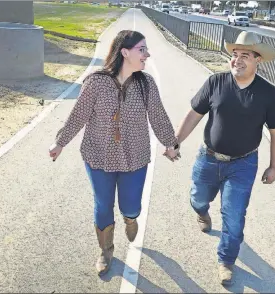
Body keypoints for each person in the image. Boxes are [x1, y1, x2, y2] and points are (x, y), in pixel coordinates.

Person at [49, 30, 180, 275]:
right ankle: (105, 249)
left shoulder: (146, 84)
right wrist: (60, 142)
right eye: (142, 49)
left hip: (135, 157)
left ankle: (131, 219)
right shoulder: (96, 82)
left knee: (130, 206)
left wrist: (170, 144)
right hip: (98, 156)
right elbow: (79, 115)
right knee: (103, 205)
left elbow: (158, 117)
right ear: (124, 52)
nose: (147, 54)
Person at [174, 31, 275, 285]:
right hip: (209, 158)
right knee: (197, 198)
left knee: (234, 216)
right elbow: (194, 114)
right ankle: (202, 213)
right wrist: (176, 141)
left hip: (243, 164)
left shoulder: (269, 94)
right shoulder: (215, 82)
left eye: (245, 55)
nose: (237, 60)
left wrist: (274, 166)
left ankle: (226, 261)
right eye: (234, 55)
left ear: (258, 60)